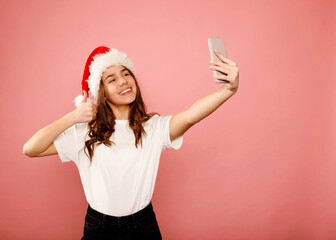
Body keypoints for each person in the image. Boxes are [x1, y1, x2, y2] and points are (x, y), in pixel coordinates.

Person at [23, 46, 239, 240]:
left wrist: (228, 90)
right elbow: (30, 149)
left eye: (126, 74)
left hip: (142, 226)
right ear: (103, 95)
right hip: (98, 228)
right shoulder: (84, 133)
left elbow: (191, 115)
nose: (124, 81)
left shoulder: (153, 128)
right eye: (112, 79)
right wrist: (72, 118)